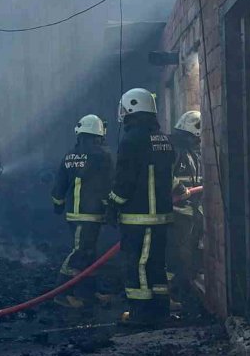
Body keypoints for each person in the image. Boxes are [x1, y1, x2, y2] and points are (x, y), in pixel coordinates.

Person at [107, 88, 176, 325]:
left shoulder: (132, 139)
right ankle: (160, 309)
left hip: (139, 216)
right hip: (161, 216)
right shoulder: (163, 139)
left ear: (133, 107)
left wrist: (113, 204)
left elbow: (124, 180)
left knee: (138, 265)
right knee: (156, 264)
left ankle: (141, 313)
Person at [50, 114, 114, 308]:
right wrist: (111, 207)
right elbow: (108, 184)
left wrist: (58, 204)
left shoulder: (69, 155)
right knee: (80, 252)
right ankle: (62, 293)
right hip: (91, 213)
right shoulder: (102, 155)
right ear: (99, 135)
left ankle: (88, 293)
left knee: (89, 253)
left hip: (74, 213)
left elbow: (59, 185)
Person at [169, 110, 204, 298]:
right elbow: (164, 173)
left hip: (191, 210)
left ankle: (183, 288)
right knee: (178, 254)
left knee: (190, 251)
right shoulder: (175, 149)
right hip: (177, 211)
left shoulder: (192, 151)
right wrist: (180, 189)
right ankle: (174, 291)